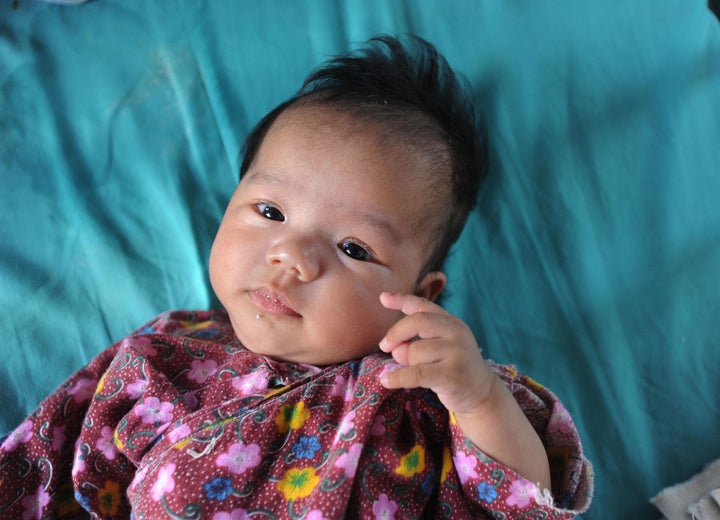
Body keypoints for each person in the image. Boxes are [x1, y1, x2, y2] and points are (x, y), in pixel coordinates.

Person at [0, 35, 592, 519]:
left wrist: (480, 399)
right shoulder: (163, 358)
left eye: (354, 247)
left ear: (419, 297)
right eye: (270, 212)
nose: (293, 257)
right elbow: (42, 470)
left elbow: (524, 501)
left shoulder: (431, 393)